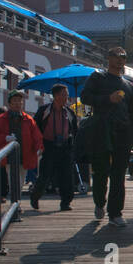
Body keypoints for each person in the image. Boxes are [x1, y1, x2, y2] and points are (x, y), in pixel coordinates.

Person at [80, 46, 133, 227]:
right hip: (101, 129)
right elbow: (85, 97)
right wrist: (108, 99)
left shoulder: (128, 85)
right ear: (109, 58)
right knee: (101, 171)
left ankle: (115, 213)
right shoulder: (98, 78)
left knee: (119, 173)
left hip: (123, 132)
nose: (120, 60)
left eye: (123, 57)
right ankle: (100, 202)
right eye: (116, 56)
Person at [31, 84, 78, 212]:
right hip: (49, 146)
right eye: (64, 94)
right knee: (45, 175)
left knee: (67, 176)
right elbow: (35, 128)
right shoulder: (44, 111)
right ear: (56, 96)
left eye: (67, 94)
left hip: (65, 147)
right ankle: (35, 196)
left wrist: (73, 146)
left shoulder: (69, 112)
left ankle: (66, 202)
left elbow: (75, 130)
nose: (66, 97)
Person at [0, 93, 41, 202]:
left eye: (20, 101)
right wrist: (5, 138)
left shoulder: (28, 119)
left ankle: (16, 202)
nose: (18, 103)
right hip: (9, 156)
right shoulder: (1, 119)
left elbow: (36, 135)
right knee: (12, 180)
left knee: (21, 181)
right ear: (10, 103)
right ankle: (15, 203)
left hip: (25, 155)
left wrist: (38, 148)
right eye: (15, 101)